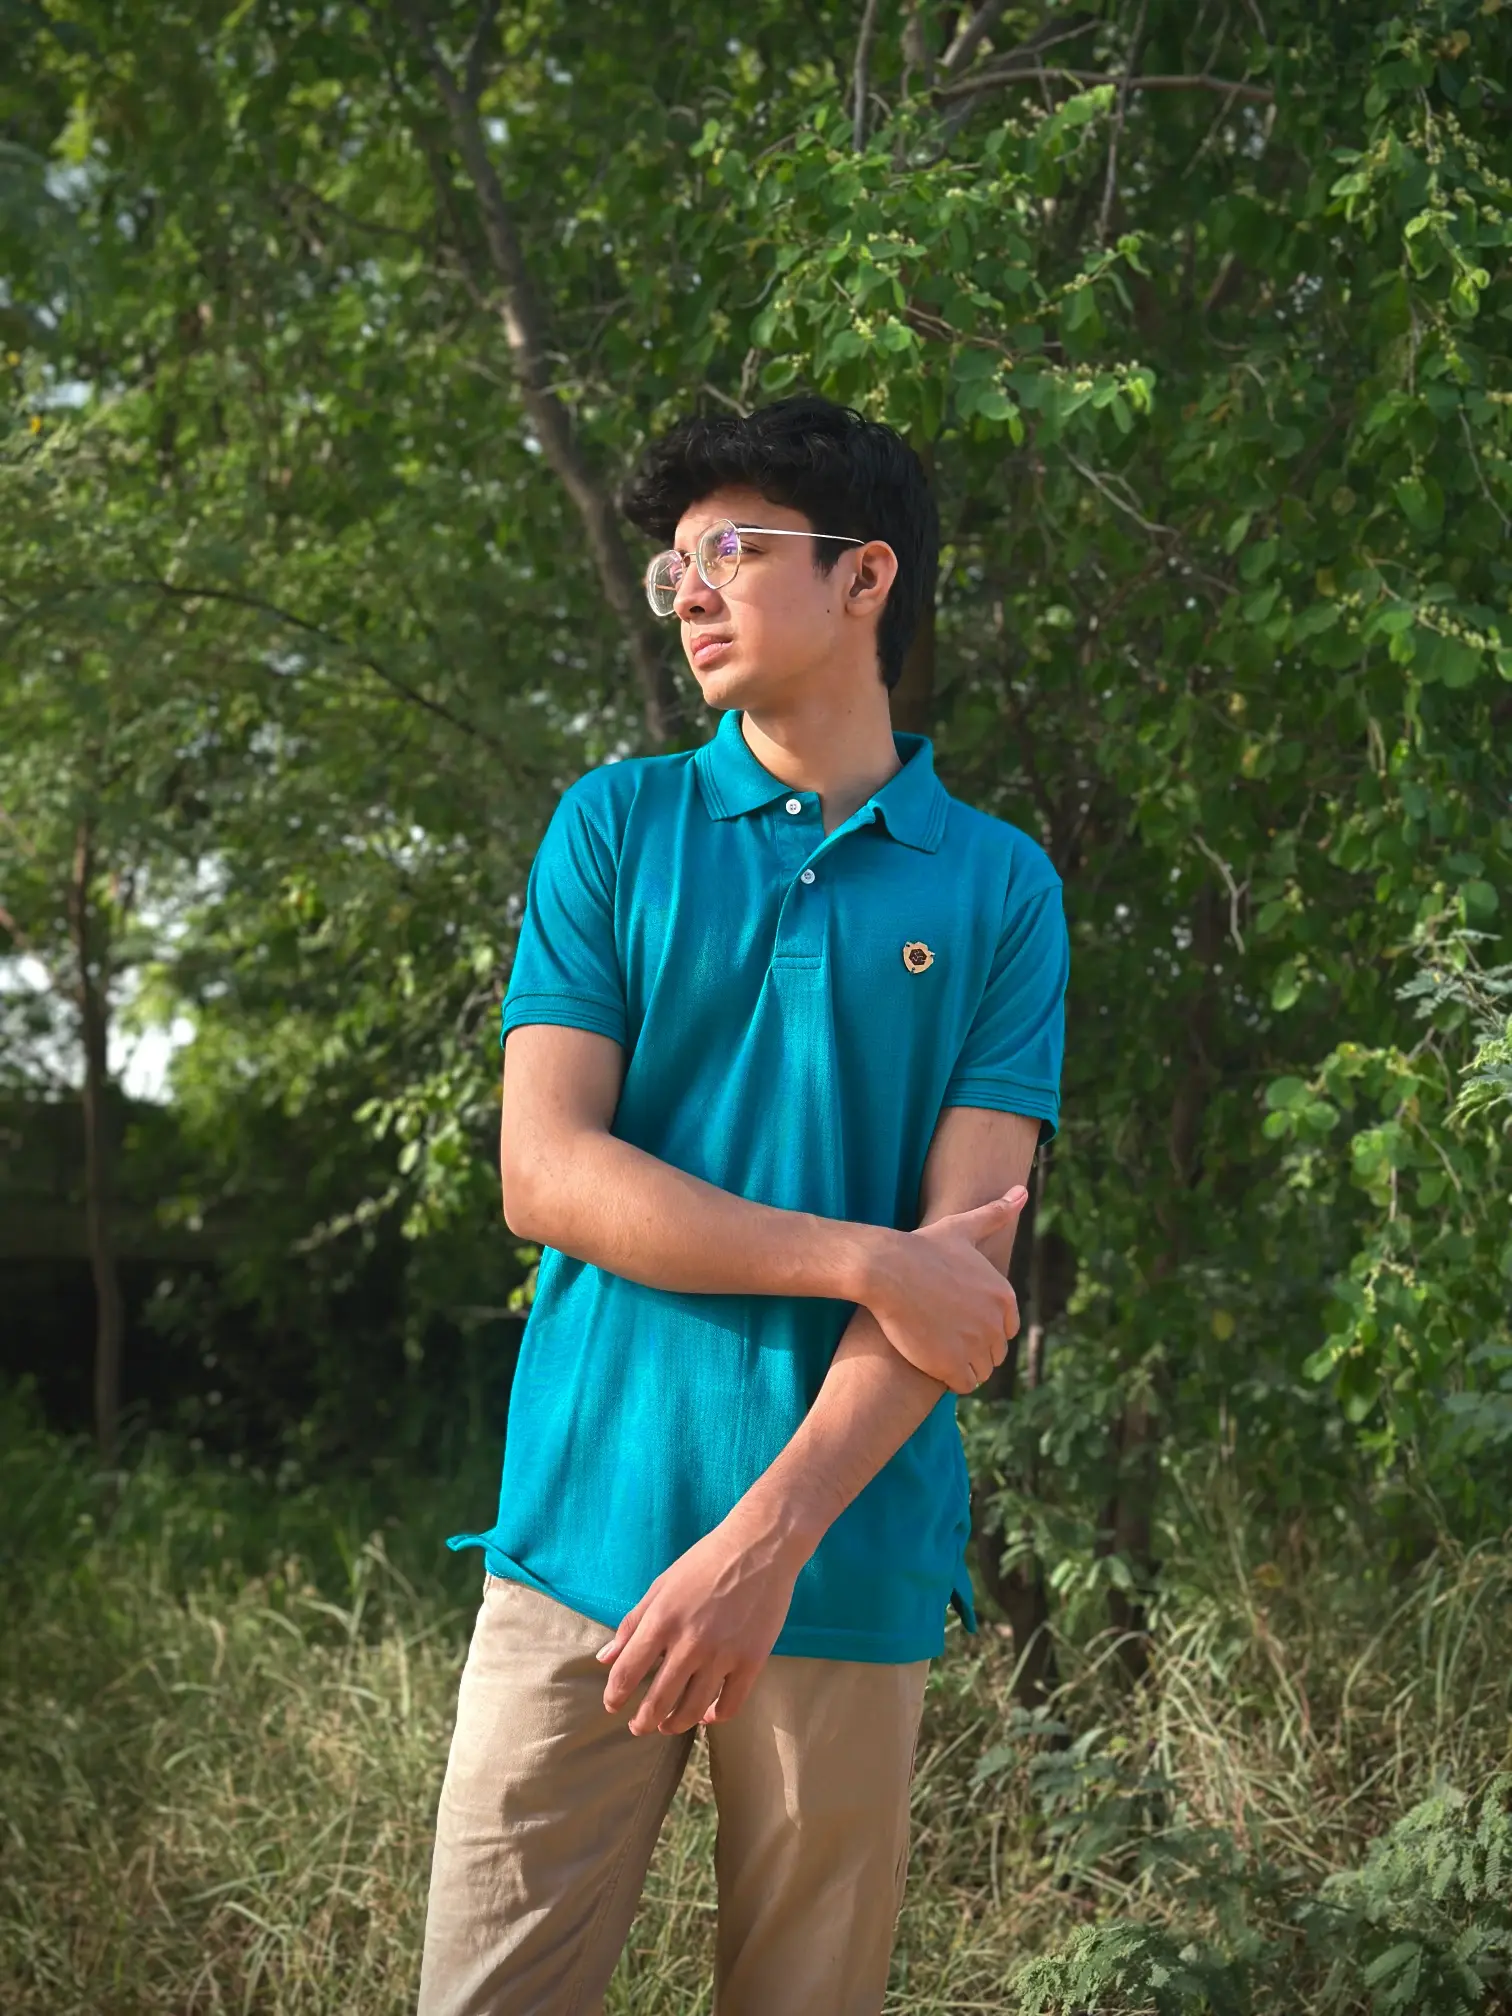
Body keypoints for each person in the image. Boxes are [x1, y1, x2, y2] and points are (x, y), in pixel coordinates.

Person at [416, 394, 1069, 2016]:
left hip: (841, 1562)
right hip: (580, 1542)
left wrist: (764, 1544)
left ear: (866, 578)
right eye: (675, 567)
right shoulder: (615, 828)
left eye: (733, 550)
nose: (689, 590)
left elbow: (961, 1293)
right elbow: (545, 1174)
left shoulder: (999, 886)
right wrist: (862, 1257)